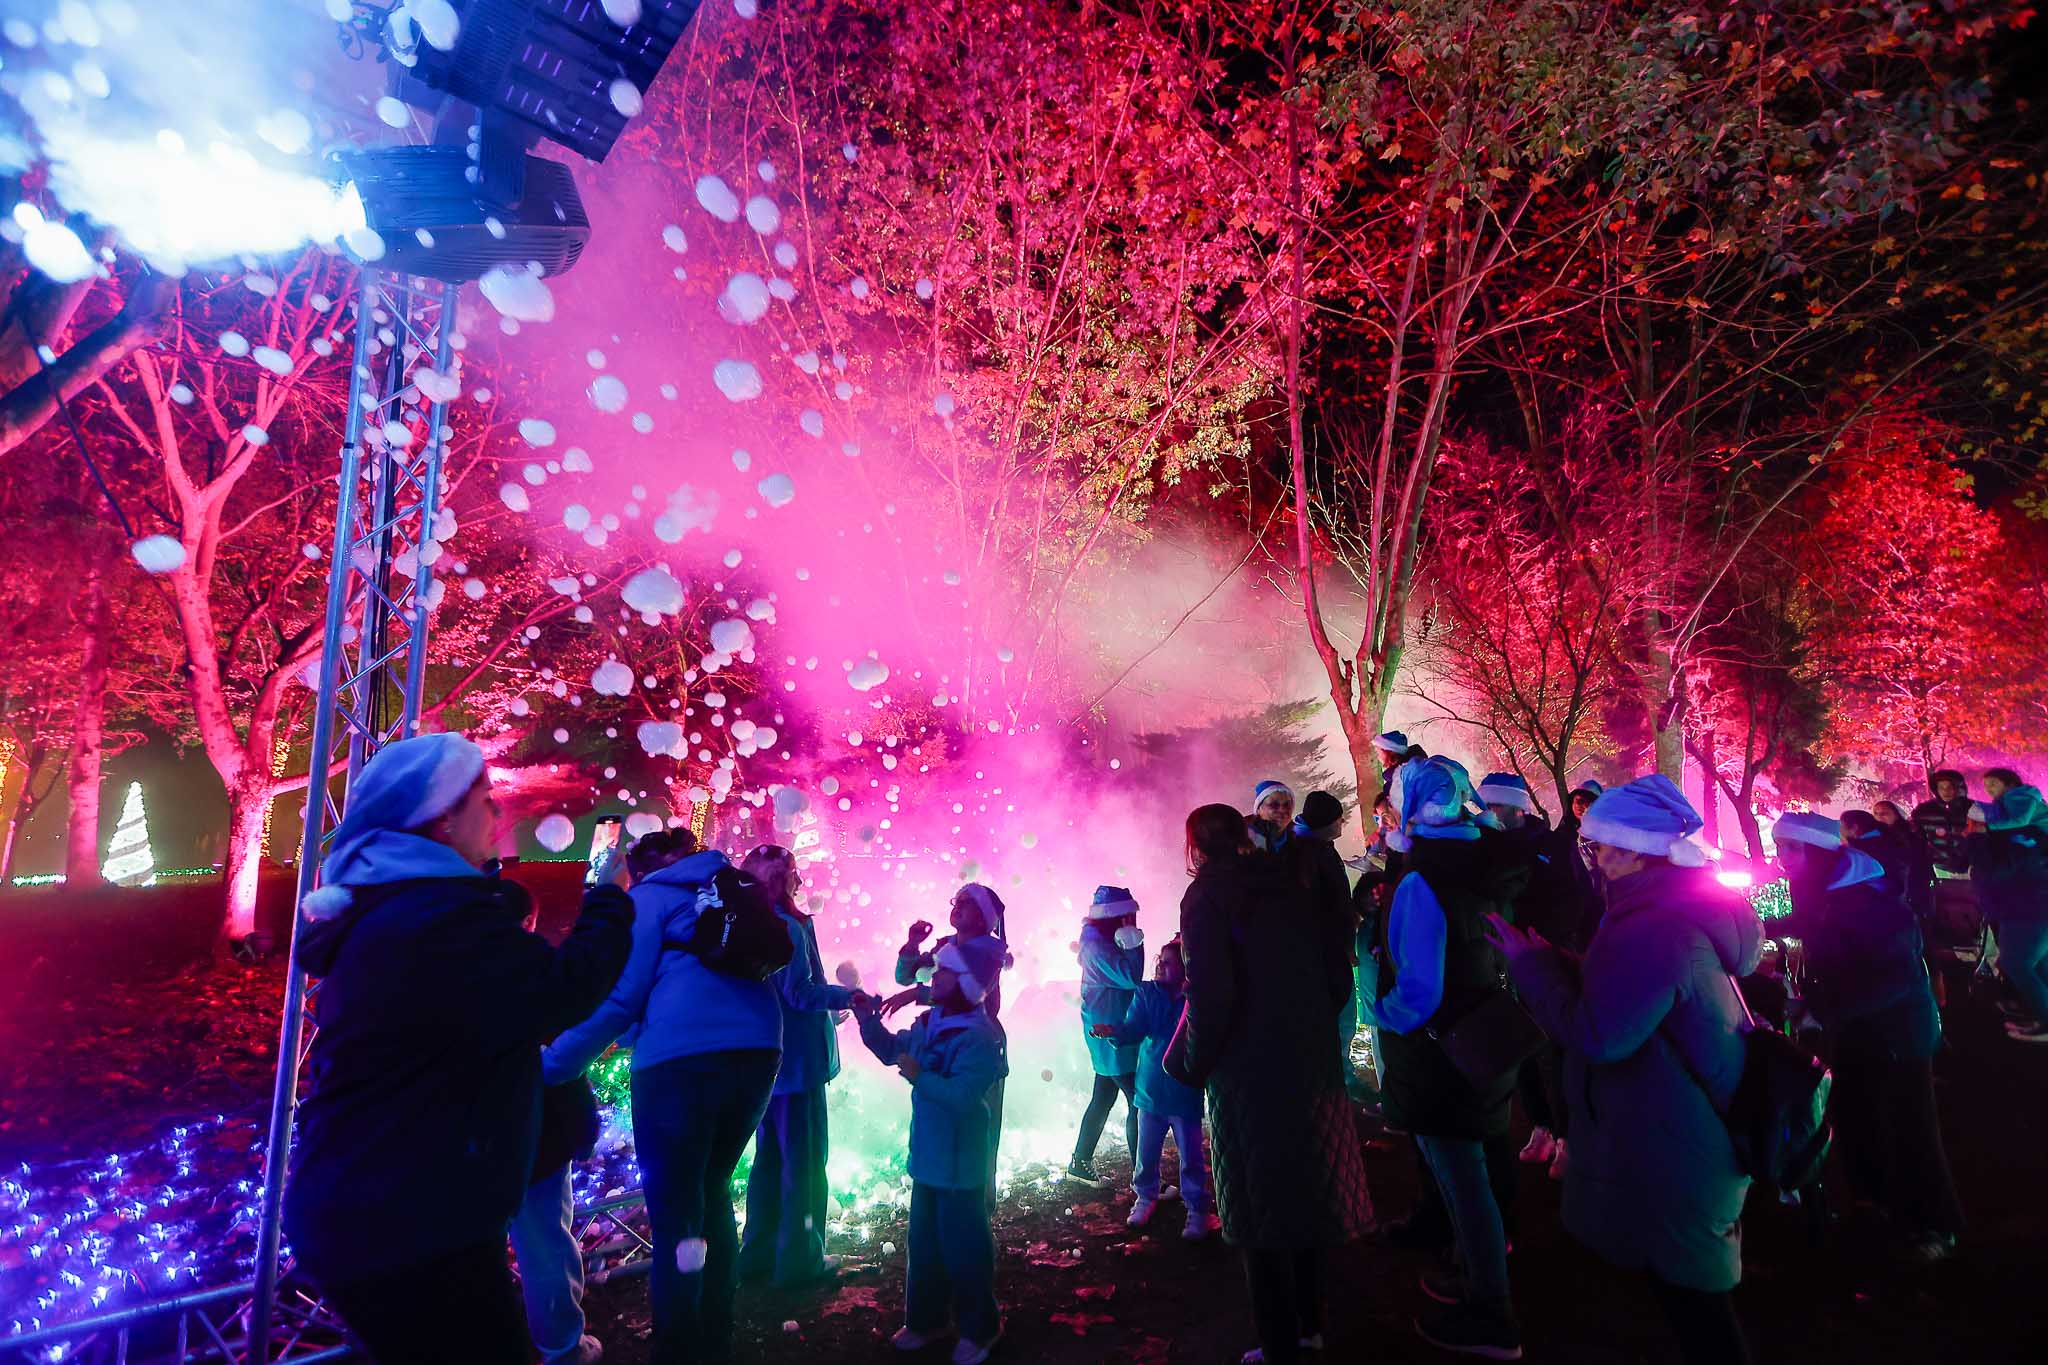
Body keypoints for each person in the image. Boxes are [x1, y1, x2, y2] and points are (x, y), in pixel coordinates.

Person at [284, 734, 634, 1365]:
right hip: (407, 1221)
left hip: (383, 1210)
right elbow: (561, 991)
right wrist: (609, 897)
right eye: (485, 799)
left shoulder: (399, 909)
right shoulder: (435, 918)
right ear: (444, 817)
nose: (498, 815)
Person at [1489, 775, 1762, 1365]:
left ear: (1636, 849)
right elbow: (1637, 999)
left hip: (1677, 1145)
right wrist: (1561, 962)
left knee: (1697, 1311)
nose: (1591, 859)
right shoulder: (1664, 911)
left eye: (1599, 847)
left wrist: (1532, 972)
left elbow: (1600, 1035)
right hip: (1680, 1130)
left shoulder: (1650, 927)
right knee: (1681, 1297)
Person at [542, 829, 787, 1365]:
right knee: (713, 1189)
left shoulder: (649, 898)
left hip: (681, 1064)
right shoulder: (729, 884)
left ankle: (678, 1349)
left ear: (641, 867)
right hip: (759, 1050)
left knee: (676, 1213)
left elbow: (620, 1001)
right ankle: (716, 1337)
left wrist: (553, 1065)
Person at [1171, 803, 1372, 1365]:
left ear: (1195, 847)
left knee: (1260, 1205)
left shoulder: (1207, 897)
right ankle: (1311, 1328)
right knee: (1308, 1189)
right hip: (1307, 1056)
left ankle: (1280, 1344)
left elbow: (1210, 995)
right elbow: (1334, 965)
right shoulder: (1289, 882)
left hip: (1249, 1071)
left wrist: (1190, 1064)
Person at [1374, 758, 1532, 1359]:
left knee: (1462, 1179)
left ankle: (1492, 1314)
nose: (1389, 809)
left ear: (1416, 805)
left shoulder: (1424, 879)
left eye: (1395, 798)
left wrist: (1381, 1011)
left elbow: (1420, 990)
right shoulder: (1483, 858)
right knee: (1476, 1169)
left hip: (1443, 1054)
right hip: (1483, 1033)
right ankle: (1475, 1275)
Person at [1774, 812, 1963, 1260]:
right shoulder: (1821, 888)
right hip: (1855, 1024)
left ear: (1820, 852)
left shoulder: (1870, 898)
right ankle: (1871, 1205)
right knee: (1855, 1116)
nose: (1783, 857)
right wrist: (1757, 929)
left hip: (1898, 1030)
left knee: (1911, 1126)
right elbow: (1809, 924)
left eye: (1792, 848)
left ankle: (1937, 1223)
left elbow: (1895, 979)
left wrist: (1820, 1012)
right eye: (1780, 846)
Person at [855, 936, 1009, 1365]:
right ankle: (927, 1320)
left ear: (964, 983)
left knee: (965, 1248)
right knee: (922, 1244)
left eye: (942, 972)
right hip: (928, 1157)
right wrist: (868, 1022)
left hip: (961, 1164)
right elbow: (892, 1051)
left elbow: (963, 1097)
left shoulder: (980, 1036)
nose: (931, 977)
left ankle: (981, 1326)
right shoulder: (930, 1023)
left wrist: (920, 1076)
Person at [736, 844, 876, 1288]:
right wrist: (848, 997)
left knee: (769, 1163)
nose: (799, 880)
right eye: (793, 872)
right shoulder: (788, 927)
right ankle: (801, 1262)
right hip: (798, 1064)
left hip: (763, 1062)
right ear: (778, 880)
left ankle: (757, 1257)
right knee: (806, 1165)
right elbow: (801, 994)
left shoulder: (743, 923)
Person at [1478, 771, 1574, 1184]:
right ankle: (1541, 1126)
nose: (1492, 814)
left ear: (1519, 807)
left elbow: (1574, 898)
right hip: (1505, 961)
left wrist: (1548, 943)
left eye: (1499, 806)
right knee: (1521, 1048)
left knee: (1555, 1052)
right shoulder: (1487, 846)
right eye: (1488, 806)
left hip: (1544, 956)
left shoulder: (1547, 845)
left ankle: (1570, 1138)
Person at [1093, 936, 1217, 1237]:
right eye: (1159, 959)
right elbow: (1135, 1027)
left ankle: (1197, 1210)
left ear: (1185, 968)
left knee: (1192, 1157)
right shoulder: (1147, 993)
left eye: (1168, 961)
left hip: (1184, 1091)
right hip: (1149, 1091)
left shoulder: (1197, 999)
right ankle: (1145, 1198)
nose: (1160, 964)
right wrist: (1115, 1032)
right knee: (1146, 1154)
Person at [1068, 886, 1146, 1187]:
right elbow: (1131, 977)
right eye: (1129, 916)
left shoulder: (1097, 943)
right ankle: (1145, 1177)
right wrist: (1131, 939)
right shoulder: (1098, 949)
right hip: (1110, 1033)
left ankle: (1080, 1161)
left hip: (1109, 1030)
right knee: (1137, 1102)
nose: (1134, 920)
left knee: (1103, 1095)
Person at [1972, 769, 2048, 1041]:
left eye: (1994, 783)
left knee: (2017, 964)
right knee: (2037, 964)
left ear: (2011, 784)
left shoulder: (2021, 817)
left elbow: (2005, 868)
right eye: (1987, 785)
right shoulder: (2017, 827)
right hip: (2029, 903)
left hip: (2030, 905)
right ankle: (2041, 1016)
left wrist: (1981, 834)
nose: (1990, 789)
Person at [1873, 799, 1937, 922]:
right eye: (1876, 813)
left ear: (1896, 814)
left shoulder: (1908, 832)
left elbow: (1919, 858)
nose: (1879, 817)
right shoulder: (1878, 835)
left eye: (1884, 813)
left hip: (1914, 881)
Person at [1248, 780, 1297, 852]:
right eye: (1273, 805)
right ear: (1258, 809)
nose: (1282, 809)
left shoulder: (1300, 842)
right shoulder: (1244, 841)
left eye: (1287, 804)